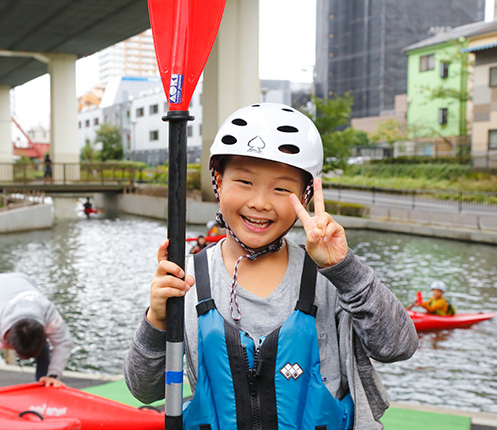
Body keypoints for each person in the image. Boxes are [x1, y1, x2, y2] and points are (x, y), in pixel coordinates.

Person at [124, 103, 418, 429]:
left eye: (281, 188)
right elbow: (144, 389)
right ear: (218, 182)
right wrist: (157, 320)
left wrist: (345, 269)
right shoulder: (186, 279)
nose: (260, 203)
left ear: (305, 196)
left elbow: (399, 347)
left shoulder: (331, 278)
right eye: (245, 182)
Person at [0, 272, 73, 391]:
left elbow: (63, 342)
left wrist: (53, 375)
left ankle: (46, 388)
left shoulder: (47, 312)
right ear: (7, 339)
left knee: (42, 352)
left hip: (23, 282)